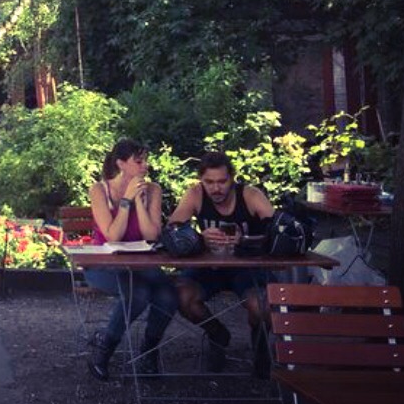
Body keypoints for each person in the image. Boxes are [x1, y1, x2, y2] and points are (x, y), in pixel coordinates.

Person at [167, 151, 276, 376]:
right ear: (201, 180)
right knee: (182, 295)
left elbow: (278, 231)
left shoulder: (250, 195)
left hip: (247, 267)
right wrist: (199, 238)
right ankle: (217, 335)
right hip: (210, 266)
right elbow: (172, 230)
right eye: (209, 182)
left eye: (222, 181)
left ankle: (261, 348)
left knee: (262, 304)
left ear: (232, 178)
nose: (216, 188)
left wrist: (246, 241)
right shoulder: (196, 194)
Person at [84, 138, 177, 379]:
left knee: (168, 295)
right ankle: (104, 349)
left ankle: (149, 350)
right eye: (139, 161)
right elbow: (113, 236)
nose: (145, 165)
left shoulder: (153, 190)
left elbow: (151, 235)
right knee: (138, 294)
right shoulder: (99, 190)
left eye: (146, 160)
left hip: (140, 262)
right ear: (121, 164)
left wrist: (139, 201)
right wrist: (125, 201)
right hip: (104, 264)